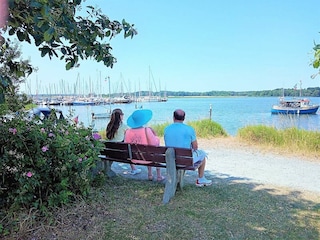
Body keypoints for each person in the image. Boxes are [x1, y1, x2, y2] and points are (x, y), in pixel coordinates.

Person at [164, 109, 212, 187]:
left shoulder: (167, 129)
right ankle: (201, 179)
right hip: (185, 160)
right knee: (203, 155)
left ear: (173, 117)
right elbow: (195, 147)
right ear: (184, 118)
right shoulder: (189, 129)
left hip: (170, 159)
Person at [124, 109, 165, 181]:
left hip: (134, 158)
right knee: (155, 152)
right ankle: (159, 176)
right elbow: (155, 144)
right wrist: (156, 136)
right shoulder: (147, 130)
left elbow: (126, 145)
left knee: (148, 151)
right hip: (147, 158)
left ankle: (150, 174)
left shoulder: (128, 131)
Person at [106, 108, 141, 175]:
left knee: (123, 147)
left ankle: (107, 168)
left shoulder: (109, 126)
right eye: (122, 114)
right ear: (120, 116)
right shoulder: (123, 126)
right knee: (129, 149)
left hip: (110, 152)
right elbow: (131, 135)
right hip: (122, 153)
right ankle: (134, 169)